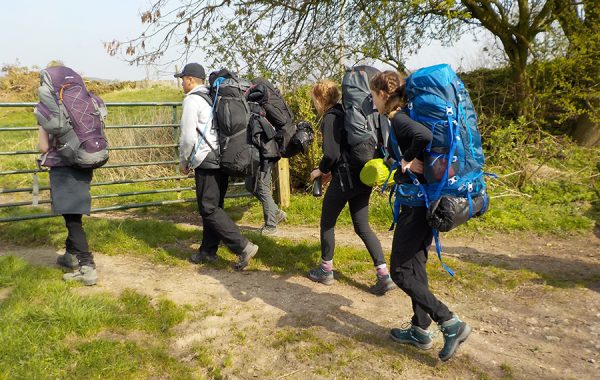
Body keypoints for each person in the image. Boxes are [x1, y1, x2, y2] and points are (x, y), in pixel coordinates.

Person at [370, 70, 471, 361]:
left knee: (401, 272)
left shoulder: (399, 117)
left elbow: (422, 136)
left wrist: (406, 160)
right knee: (416, 268)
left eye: (373, 95)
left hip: (415, 206)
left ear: (383, 95)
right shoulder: (409, 113)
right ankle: (420, 328)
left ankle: (450, 322)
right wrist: (405, 159)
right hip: (425, 201)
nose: (372, 100)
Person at [307, 80, 395, 295]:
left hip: (345, 179)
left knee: (327, 222)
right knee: (362, 226)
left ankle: (326, 270)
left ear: (319, 99)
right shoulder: (347, 113)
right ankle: (384, 274)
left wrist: (321, 170)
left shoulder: (330, 118)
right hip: (363, 177)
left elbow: (331, 154)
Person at [176, 63, 258, 270]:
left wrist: (184, 161)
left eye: (182, 79)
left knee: (208, 207)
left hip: (205, 159)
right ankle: (207, 251)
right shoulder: (213, 96)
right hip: (222, 156)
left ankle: (242, 246)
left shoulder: (192, 100)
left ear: (190, 80)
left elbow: (187, 137)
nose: (181, 83)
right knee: (214, 207)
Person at [38, 128, 97, 286]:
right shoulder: (86, 103)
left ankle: (87, 267)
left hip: (62, 166)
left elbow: (43, 146)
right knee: (74, 215)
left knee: (72, 220)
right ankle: (70, 255)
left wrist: (41, 127)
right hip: (85, 161)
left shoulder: (49, 109)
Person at [244, 160, 287, 236]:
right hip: (252, 157)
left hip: (264, 156)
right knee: (250, 185)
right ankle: (275, 212)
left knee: (262, 186)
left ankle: (271, 227)